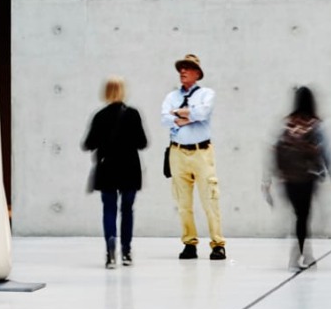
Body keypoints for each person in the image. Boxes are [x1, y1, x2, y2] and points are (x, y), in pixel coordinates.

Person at [265, 85, 331, 271]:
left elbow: (274, 150)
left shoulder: (287, 124)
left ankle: (306, 255)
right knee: (302, 217)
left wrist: (267, 179)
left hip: (288, 179)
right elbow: (326, 152)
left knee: (298, 217)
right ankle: (296, 257)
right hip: (308, 178)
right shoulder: (315, 125)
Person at [161, 54, 227, 260]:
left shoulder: (207, 93)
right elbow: (164, 119)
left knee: (210, 199)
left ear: (197, 73)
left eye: (188, 68)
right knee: (183, 202)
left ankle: (217, 244)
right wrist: (188, 115)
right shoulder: (171, 96)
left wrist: (179, 115)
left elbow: (203, 113)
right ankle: (189, 243)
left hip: (201, 152)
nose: (183, 71)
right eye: (181, 68)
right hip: (177, 152)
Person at [82, 76, 148, 268]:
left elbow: (88, 143)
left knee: (109, 210)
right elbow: (143, 142)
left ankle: (110, 251)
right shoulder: (133, 114)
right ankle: (126, 251)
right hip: (129, 169)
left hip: (107, 168)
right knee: (127, 210)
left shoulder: (100, 116)